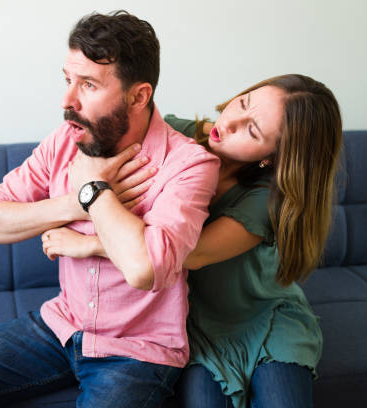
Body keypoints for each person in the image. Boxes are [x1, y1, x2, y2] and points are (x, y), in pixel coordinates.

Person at [0, 10, 220, 408]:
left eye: (88, 84)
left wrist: (94, 190)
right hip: (61, 324)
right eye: (68, 80)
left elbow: (147, 269)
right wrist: (74, 202)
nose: (67, 100)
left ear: (139, 95)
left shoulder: (189, 165)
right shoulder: (65, 141)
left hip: (137, 351)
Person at [45, 74, 342, 408]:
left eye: (252, 130)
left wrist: (90, 244)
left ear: (271, 158)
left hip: (263, 319)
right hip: (195, 324)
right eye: (242, 103)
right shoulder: (178, 135)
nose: (229, 123)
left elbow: (188, 254)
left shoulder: (268, 198)